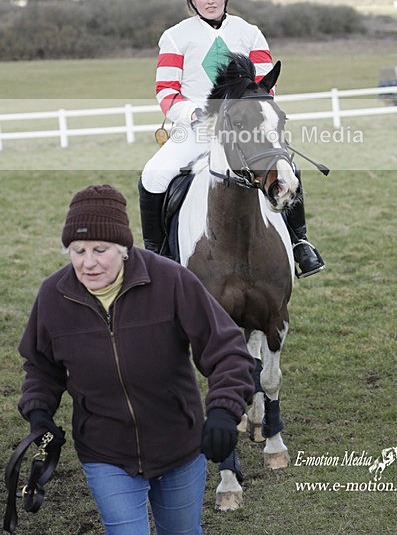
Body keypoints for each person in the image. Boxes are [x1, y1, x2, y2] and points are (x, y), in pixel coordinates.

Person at [17, 184, 256, 535]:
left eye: (100, 249)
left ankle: (299, 239)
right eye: (77, 250)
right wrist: (39, 413)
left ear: (124, 249)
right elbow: (41, 367)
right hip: (105, 450)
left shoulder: (171, 280)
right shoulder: (54, 296)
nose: (88, 262)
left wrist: (223, 409)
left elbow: (228, 350)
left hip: (178, 443)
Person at [139, 0, 324, 277]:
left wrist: (252, 116)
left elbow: (266, 84)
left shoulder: (249, 32)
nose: (210, 0)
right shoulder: (175, 36)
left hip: (245, 125)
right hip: (197, 125)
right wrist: (194, 113)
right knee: (153, 176)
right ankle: (157, 256)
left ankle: (300, 243)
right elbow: (166, 91)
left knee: (286, 166)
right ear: (191, 0)